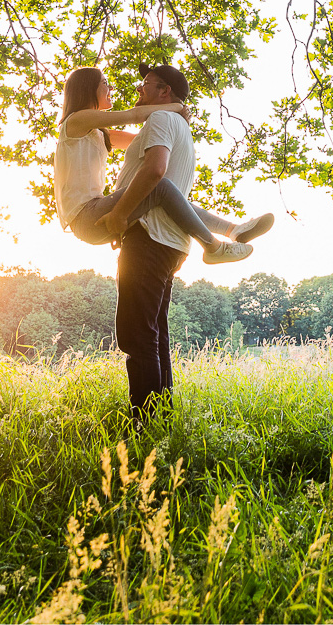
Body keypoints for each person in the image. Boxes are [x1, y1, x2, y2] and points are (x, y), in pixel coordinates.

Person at [54, 62, 275, 422]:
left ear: (164, 89)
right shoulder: (76, 122)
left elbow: (139, 134)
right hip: (87, 214)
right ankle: (216, 242)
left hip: (105, 216)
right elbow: (134, 115)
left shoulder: (99, 134)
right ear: (86, 91)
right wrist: (172, 108)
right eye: (105, 86)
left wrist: (170, 117)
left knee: (163, 191)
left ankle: (231, 233)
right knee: (160, 187)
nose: (112, 91)